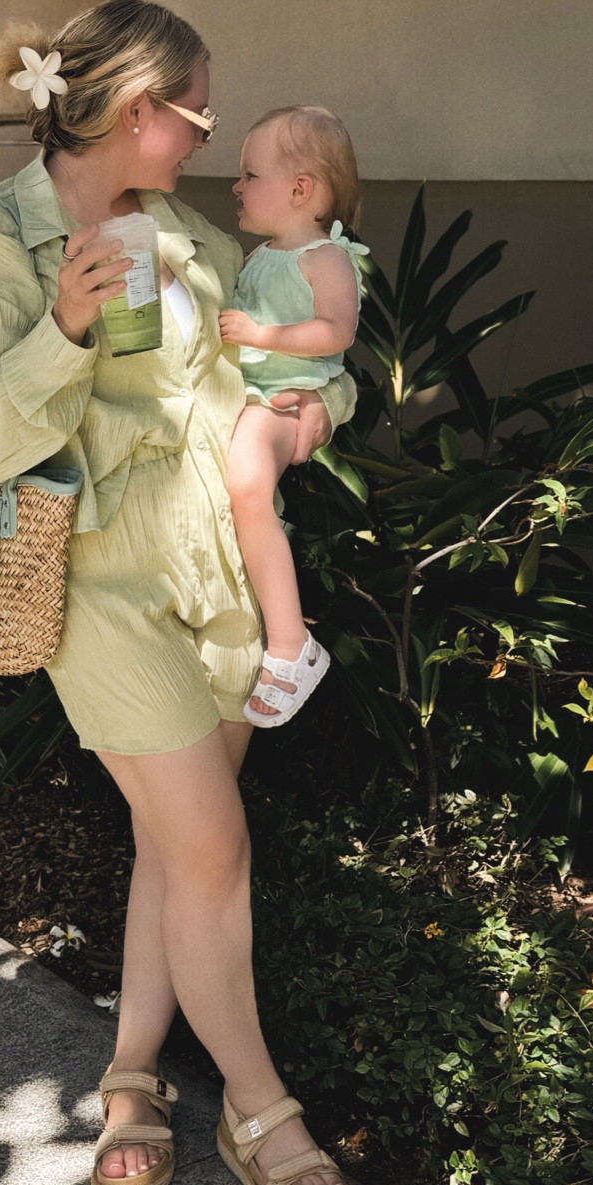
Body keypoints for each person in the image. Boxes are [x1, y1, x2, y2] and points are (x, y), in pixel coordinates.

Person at [0, 0, 360, 1185]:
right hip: (94, 586)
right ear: (134, 109)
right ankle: (260, 1106)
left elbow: (266, 374)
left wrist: (317, 410)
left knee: (178, 848)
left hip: (215, 574)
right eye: (197, 111)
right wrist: (61, 327)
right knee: (212, 845)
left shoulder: (182, 233)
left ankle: (128, 1081)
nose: (206, 140)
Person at [218, 108, 366, 726]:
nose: (236, 186)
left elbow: (337, 330)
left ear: (301, 189)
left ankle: (289, 643)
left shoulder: (324, 256)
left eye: (250, 174)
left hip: (284, 398)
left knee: (248, 486)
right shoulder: (262, 254)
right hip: (259, 394)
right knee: (244, 492)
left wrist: (263, 332)